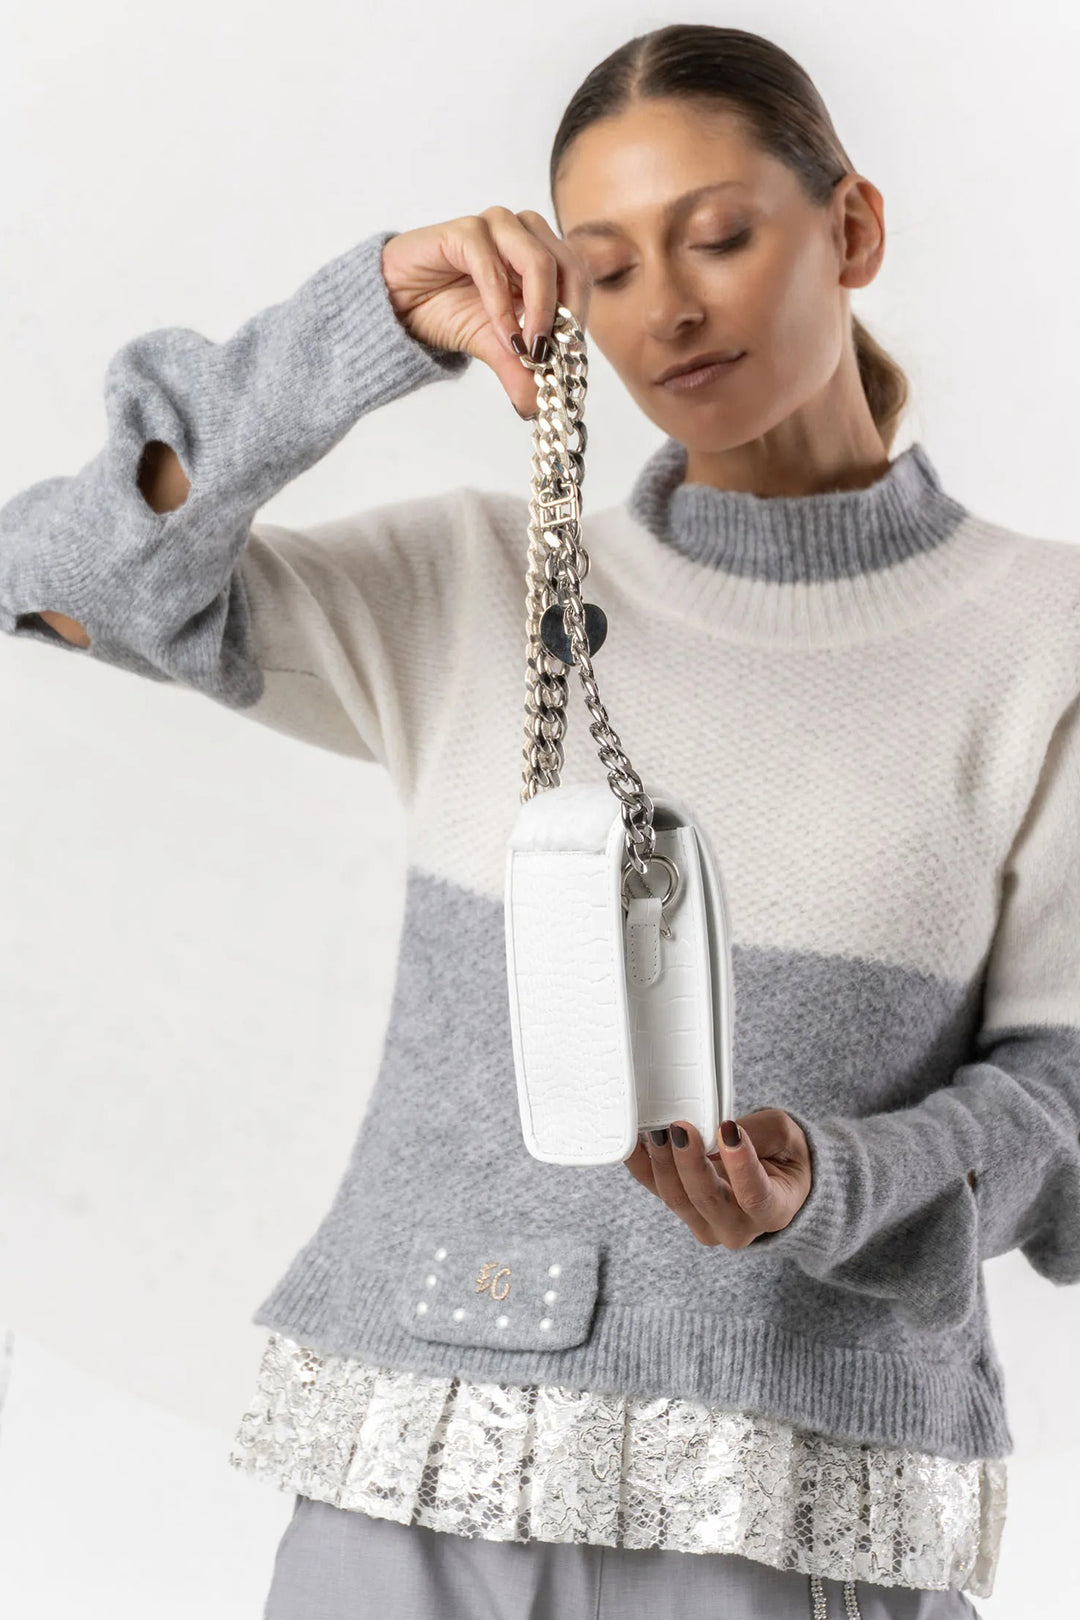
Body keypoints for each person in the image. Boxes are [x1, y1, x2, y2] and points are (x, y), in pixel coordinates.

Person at [4, 20, 1077, 1620]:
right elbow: (63, 581)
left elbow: (1065, 1108)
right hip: (407, 1488)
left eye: (719, 236)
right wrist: (356, 324)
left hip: (786, 1514)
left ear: (849, 228)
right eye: (610, 270)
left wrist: (830, 1182)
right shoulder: (480, 582)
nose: (673, 309)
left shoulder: (1038, 640)